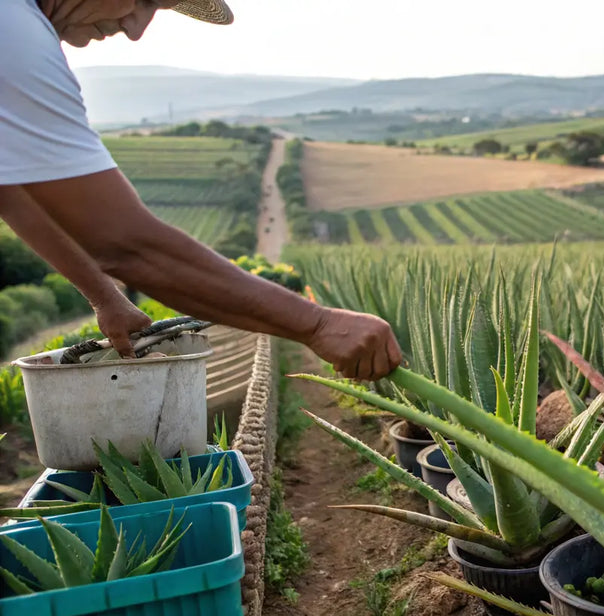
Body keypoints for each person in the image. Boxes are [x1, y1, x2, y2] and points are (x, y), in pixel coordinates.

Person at [0, 0, 402, 381]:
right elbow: (126, 245)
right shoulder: (17, 38)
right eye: (143, 1)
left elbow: (17, 196)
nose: (136, 30)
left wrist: (105, 298)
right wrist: (318, 324)